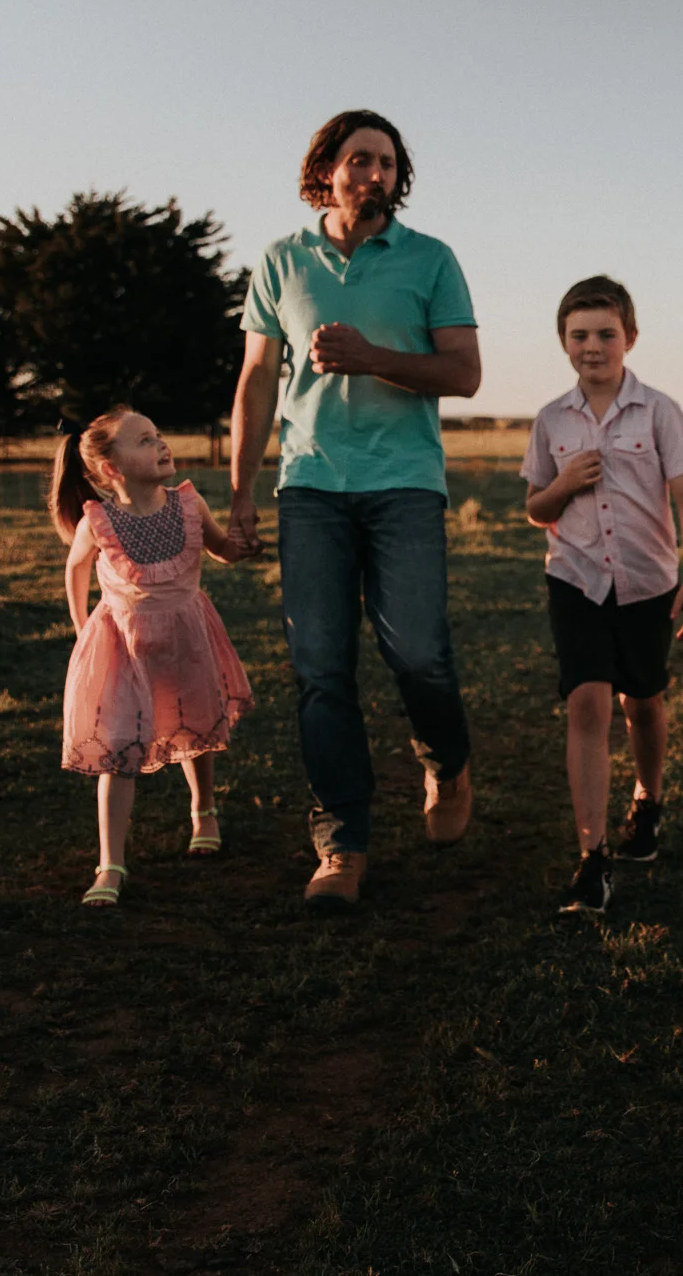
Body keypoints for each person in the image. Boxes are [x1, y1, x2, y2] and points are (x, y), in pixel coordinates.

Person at [227, 109, 483, 913]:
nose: (375, 173)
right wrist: (240, 490)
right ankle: (341, 842)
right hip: (310, 486)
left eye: (387, 163)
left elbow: (465, 374)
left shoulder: (430, 258)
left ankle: (446, 760)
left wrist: (372, 358)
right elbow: (257, 380)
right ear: (326, 172)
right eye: (360, 159)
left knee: (420, 654)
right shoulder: (281, 261)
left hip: (405, 482)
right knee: (320, 669)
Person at [520, 276, 683, 916]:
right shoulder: (551, 420)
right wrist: (564, 483)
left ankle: (647, 801)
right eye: (579, 335)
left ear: (630, 337)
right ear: (563, 342)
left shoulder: (658, 411)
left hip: (646, 582)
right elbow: (536, 509)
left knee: (644, 702)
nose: (592, 346)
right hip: (575, 580)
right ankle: (592, 858)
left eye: (606, 333)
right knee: (588, 703)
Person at [51, 406, 255, 908]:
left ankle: (203, 811)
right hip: (124, 649)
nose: (162, 444)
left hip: (187, 639)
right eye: (144, 440)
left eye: (159, 434)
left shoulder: (188, 503)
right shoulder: (97, 523)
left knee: (196, 727)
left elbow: (220, 548)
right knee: (118, 750)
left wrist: (242, 547)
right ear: (111, 469)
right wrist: (82, 627)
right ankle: (110, 863)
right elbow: (75, 571)